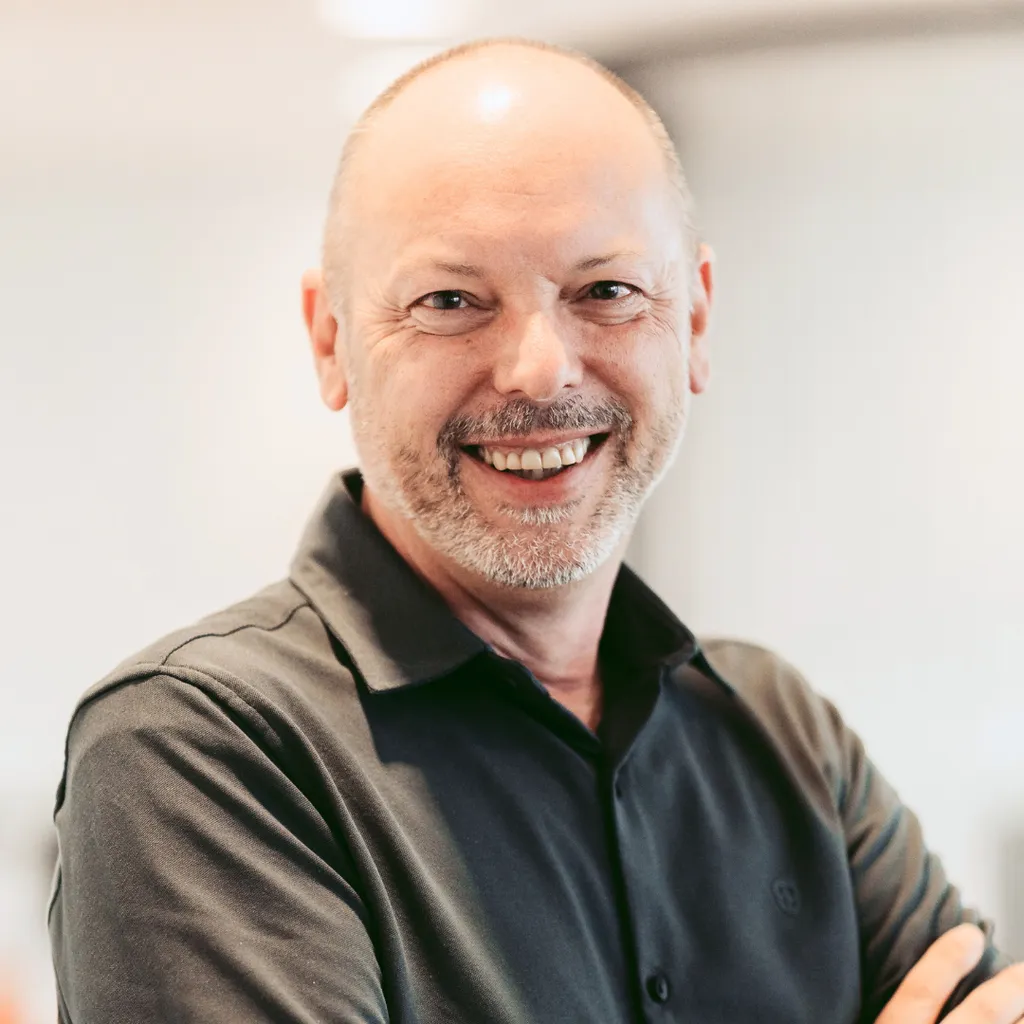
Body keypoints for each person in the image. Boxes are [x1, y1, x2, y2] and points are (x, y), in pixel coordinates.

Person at [49, 37, 1021, 1024]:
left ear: (692, 321)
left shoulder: (779, 735)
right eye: (450, 301)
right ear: (330, 338)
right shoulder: (202, 754)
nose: (540, 369)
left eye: (606, 291)